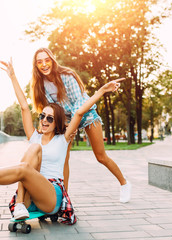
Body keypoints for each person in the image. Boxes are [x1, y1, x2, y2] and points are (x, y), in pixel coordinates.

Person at [0, 59, 121, 225]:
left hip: (52, 196)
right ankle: (20, 205)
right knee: (32, 150)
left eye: (50, 118)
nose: (44, 121)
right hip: (33, 192)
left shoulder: (63, 139)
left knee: (24, 168)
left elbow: (79, 112)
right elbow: (24, 106)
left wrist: (102, 91)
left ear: (57, 122)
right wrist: (12, 76)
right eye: (42, 116)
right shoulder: (35, 137)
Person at [30, 47, 131, 203]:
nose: (44, 64)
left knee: (101, 157)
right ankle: (64, 197)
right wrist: (44, 124)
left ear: (52, 60)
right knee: (63, 157)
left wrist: (73, 123)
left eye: (47, 60)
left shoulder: (67, 76)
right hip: (67, 119)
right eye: (39, 61)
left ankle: (124, 183)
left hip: (86, 113)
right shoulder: (40, 84)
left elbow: (78, 103)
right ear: (36, 65)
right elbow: (48, 109)